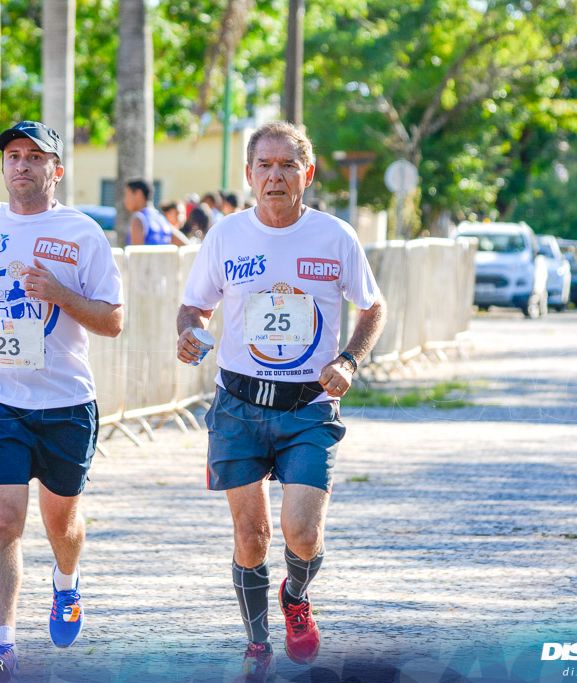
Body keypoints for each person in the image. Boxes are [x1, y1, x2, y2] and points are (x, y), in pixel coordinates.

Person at [176, 121, 387, 682]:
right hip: (239, 405)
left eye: (287, 165)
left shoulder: (335, 237)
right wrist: (190, 332)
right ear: (248, 176)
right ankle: (257, 645)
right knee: (251, 536)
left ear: (307, 174)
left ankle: (296, 595)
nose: (275, 176)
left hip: (308, 408)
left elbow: (372, 307)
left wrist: (348, 360)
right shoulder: (225, 236)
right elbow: (194, 306)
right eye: (264, 166)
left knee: (303, 533)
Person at [0, 121, 124, 676]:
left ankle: (66, 584)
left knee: (60, 523)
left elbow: (113, 320)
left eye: (35, 157)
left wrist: (59, 294)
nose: (21, 165)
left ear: (56, 170)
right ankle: (2, 643)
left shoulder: (82, 231)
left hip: (64, 400)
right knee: (1, 524)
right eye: (13, 156)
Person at [123, 178, 184, 246]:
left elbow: (137, 255)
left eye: (127, 195)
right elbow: (186, 245)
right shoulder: (161, 219)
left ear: (138, 194)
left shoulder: (138, 219)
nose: (125, 201)